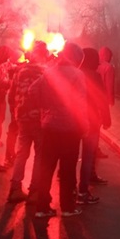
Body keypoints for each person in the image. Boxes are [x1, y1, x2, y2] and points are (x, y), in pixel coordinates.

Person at [30, 42, 88, 218]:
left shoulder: (49, 72)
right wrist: (84, 125)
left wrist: (44, 108)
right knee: (68, 169)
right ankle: (67, 207)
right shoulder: (78, 74)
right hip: (71, 129)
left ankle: (42, 207)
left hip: (50, 126)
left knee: (46, 168)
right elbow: (80, 102)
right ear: (76, 58)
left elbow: (32, 90)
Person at [7, 41, 49, 203]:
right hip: (38, 119)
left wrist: (15, 111)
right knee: (40, 155)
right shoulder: (45, 73)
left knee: (22, 153)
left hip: (22, 118)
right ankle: (34, 192)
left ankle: (15, 188)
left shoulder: (20, 71)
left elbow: (11, 95)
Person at [77, 47, 111, 204]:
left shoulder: (76, 73)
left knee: (71, 155)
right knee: (88, 155)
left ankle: (71, 187)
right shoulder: (95, 76)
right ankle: (83, 190)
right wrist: (106, 118)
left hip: (75, 119)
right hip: (91, 120)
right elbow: (101, 98)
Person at [96, 45, 115, 161]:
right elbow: (109, 85)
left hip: (91, 99)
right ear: (107, 55)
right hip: (101, 101)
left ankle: (93, 148)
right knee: (97, 126)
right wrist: (110, 101)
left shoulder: (95, 65)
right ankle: (95, 149)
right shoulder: (108, 67)